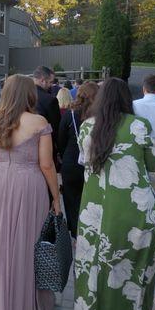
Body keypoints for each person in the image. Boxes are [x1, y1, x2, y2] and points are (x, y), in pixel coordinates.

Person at [74, 78, 155, 310]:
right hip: (137, 210)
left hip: (95, 211)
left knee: (93, 267)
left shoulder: (86, 127)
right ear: (128, 98)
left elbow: (86, 164)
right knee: (134, 270)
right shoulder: (140, 126)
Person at [0, 74, 61, 310]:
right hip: (29, 185)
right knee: (28, 244)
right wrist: (56, 198)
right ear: (29, 94)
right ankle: (24, 305)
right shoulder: (39, 122)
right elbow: (47, 165)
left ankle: (2, 304)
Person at [57, 82, 98, 239]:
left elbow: (61, 139)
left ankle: (75, 233)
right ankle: (90, 230)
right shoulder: (100, 115)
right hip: (93, 162)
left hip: (71, 161)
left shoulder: (71, 114)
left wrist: (63, 155)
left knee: (71, 199)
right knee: (90, 199)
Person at [33, 66, 61, 164]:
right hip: (45, 146)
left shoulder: (23, 96)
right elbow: (56, 127)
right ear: (42, 80)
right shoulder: (50, 100)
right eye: (50, 82)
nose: (51, 85)